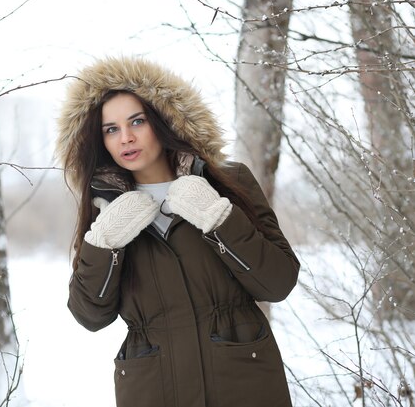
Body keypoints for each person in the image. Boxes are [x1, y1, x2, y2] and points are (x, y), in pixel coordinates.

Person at [56, 56, 300, 407]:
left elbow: (279, 283)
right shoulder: (102, 206)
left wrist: (218, 218)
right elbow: (89, 315)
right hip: (154, 388)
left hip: (242, 381)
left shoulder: (228, 182)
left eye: (136, 121)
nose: (125, 137)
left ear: (163, 119)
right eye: (111, 129)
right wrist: (104, 241)